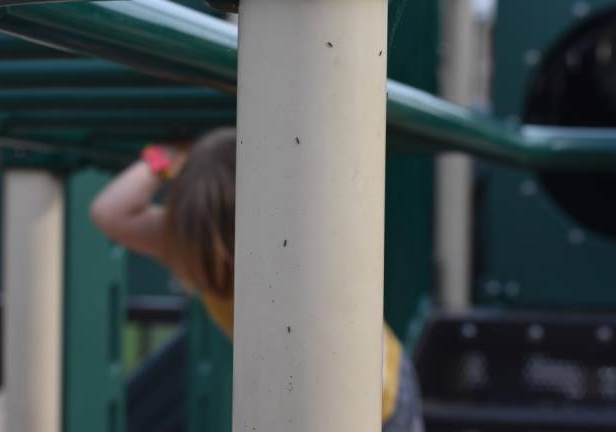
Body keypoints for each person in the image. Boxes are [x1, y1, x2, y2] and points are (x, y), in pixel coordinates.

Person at [90, 127, 423, 432]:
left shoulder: (220, 248)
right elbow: (108, 212)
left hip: (380, 394)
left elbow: (110, 211)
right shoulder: (208, 242)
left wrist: (166, 159)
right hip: (359, 388)